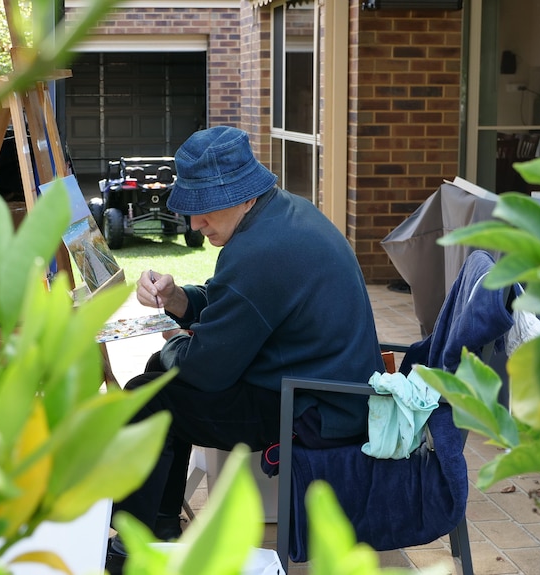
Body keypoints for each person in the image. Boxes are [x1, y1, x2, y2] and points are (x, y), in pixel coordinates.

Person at [105, 126, 385, 574]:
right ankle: (155, 530)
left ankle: (138, 544)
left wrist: (177, 342)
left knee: (149, 395)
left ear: (241, 195)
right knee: (160, 379)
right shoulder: (280, 215)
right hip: (325, 388)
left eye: (204, 212)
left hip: (316, 408)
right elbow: (230, 301)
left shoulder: (260, 250)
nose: (195, 224)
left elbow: (206, 373)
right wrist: (177, 299)